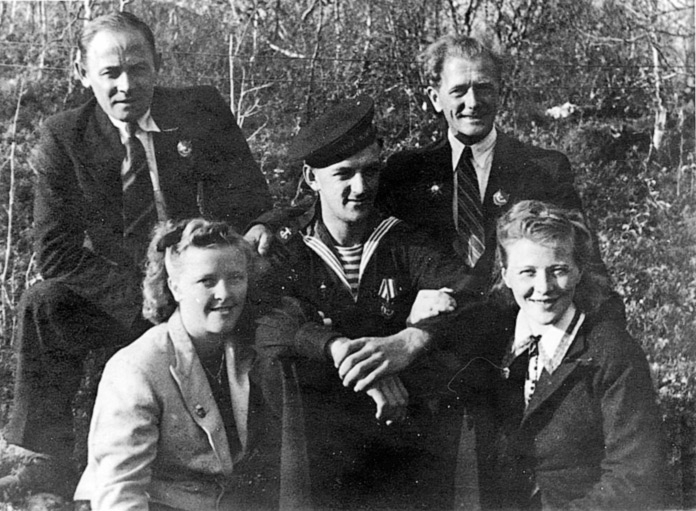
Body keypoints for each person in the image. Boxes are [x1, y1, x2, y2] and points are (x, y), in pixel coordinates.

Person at [0, 11, 272, 499]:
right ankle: (44, 458)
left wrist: (254, 232)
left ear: (157, 65)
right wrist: (146, 297)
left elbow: (251, 200)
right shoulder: (66, 136)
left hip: (205, 289)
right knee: (44, 303)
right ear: (83, 74)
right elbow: (56, 253)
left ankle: (257, 458)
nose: (127, 85)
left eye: (138, 69)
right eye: (111, 73)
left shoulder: (200, 110)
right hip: (126, 296)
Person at [255, 96, 483, 510]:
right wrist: (336, 348)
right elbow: (265, 320)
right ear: (311, 178)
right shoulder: (288, 248)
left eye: (370, 171)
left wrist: (412, 340)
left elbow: (473, 297)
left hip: (396, 447)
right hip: (318, 447)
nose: (360, 188)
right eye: (343, 174)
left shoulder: (404, 242)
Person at [73, 219, 286, 510]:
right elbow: (119, 492)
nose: (225, 293)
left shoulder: (247, 349)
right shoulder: (137, 368)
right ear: (175, 287)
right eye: (207, 281)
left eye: (236, 278)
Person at [490, 200, 669, 509]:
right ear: (506, 275)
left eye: (558, 270)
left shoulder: (612, 352)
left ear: (578, 270)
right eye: (527, 272)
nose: (543, 287)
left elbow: (634, 477)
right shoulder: (494, 344)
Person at [379, 35, 593, 293]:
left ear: (499, 93)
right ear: (435, 98)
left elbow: (585, 263)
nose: (473, 102)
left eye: (483, 88)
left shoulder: (545, 170)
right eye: (459, 91)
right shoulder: (406, 173)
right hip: (435, 315)